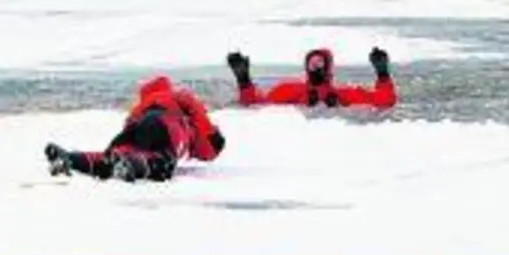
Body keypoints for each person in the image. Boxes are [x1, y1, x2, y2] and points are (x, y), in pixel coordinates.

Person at [45, 75, 226, 182]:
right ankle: (131, 164)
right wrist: (213, 136)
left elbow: (131, 129)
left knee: (110, 158)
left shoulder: (140, 106)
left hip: (138, 124)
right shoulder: (180, 97)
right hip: (168, 124)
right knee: (163, 163)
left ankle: (69, 159)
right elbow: (206, 142)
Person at [226, 46, 396, 109]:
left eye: (319, 63)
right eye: (312, 63)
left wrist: (383, 74)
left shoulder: (342, 94)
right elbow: (255, 103)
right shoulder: (290, 90)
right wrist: (244, 80)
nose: (315, 67)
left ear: (328, 67)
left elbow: (385, 101)